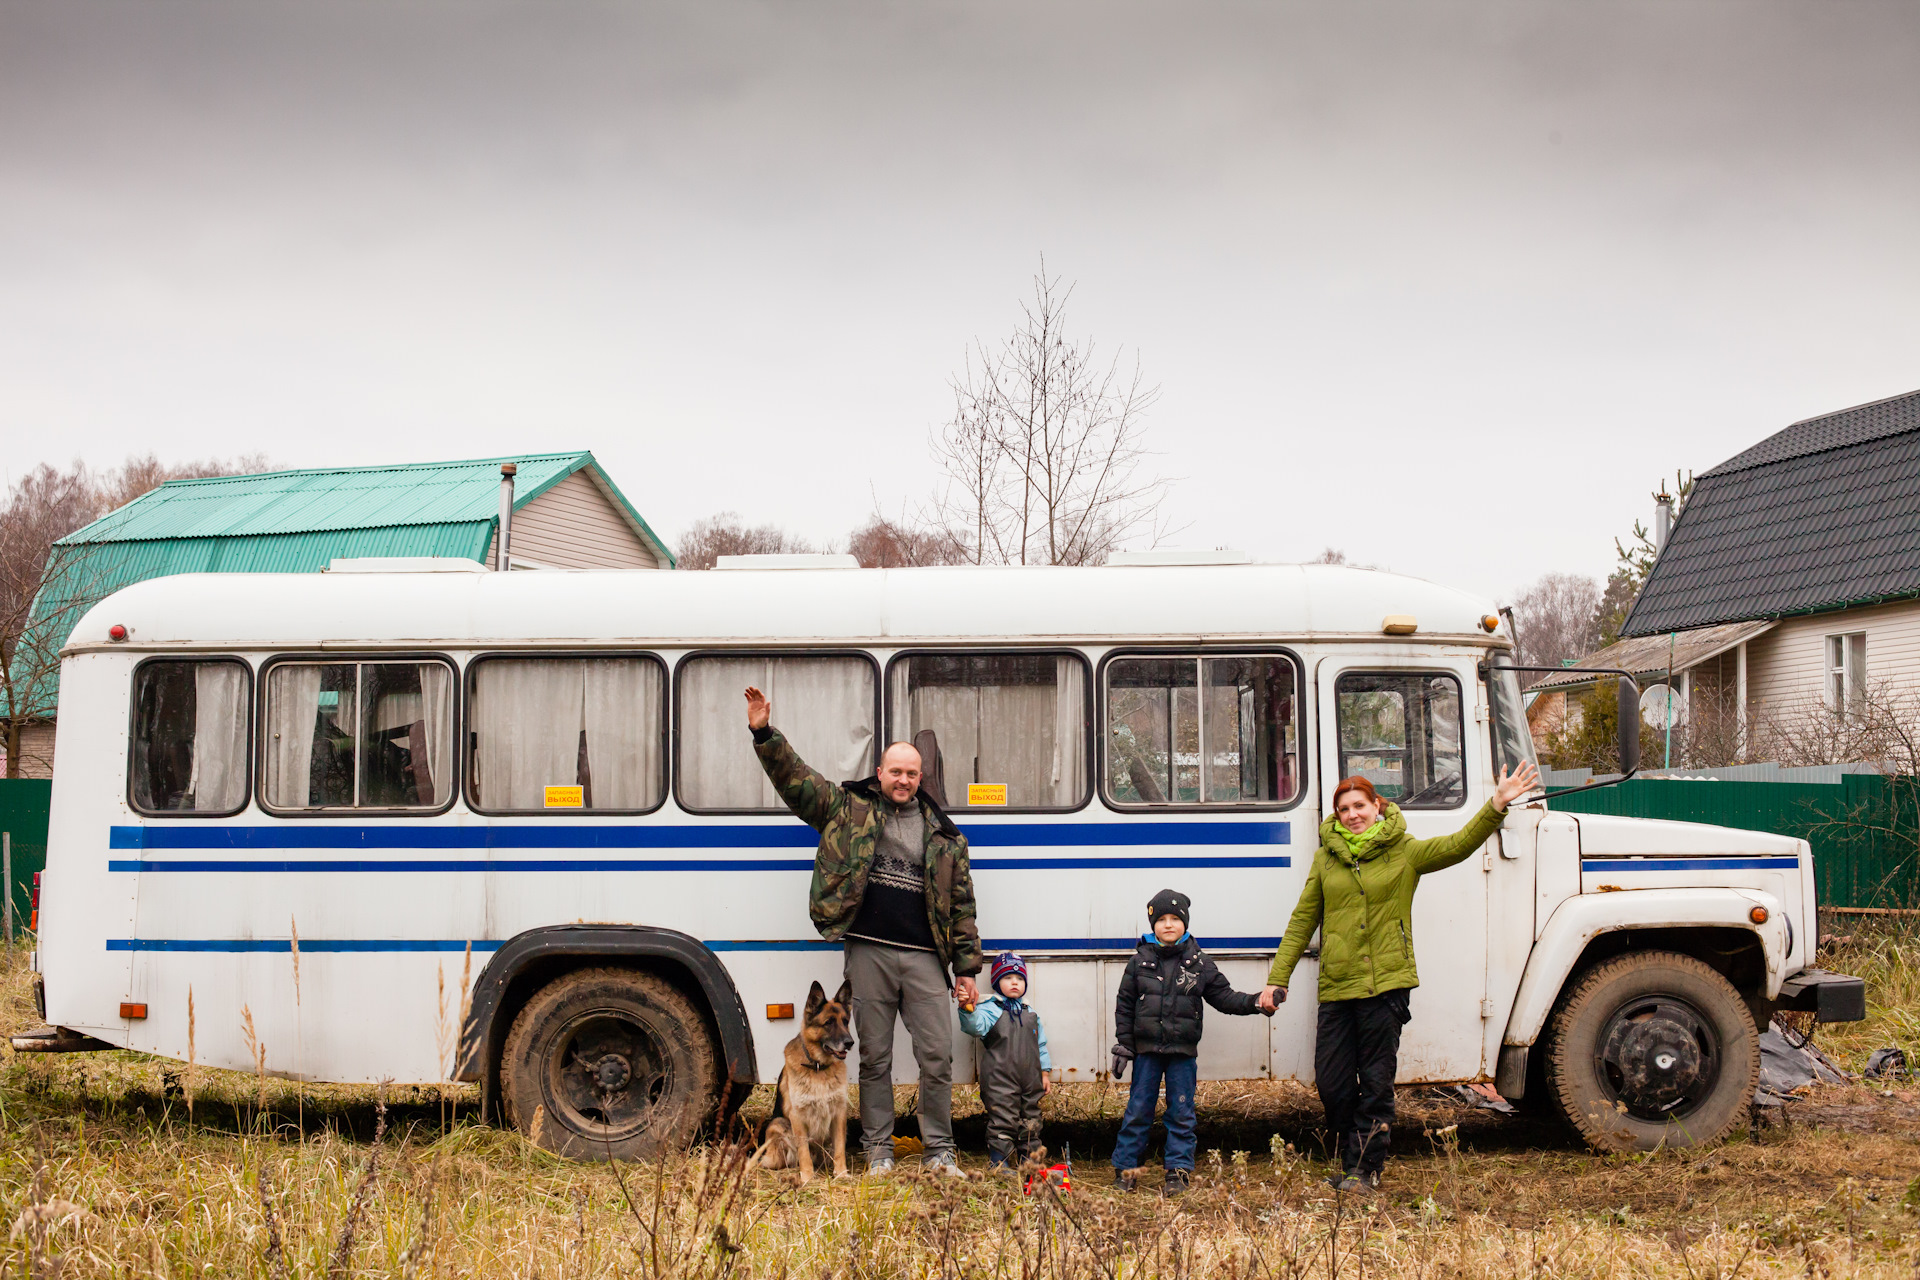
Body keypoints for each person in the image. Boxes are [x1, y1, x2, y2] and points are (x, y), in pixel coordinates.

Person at [1259, 761, 1542, 1193]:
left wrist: (1496, 805)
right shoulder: (1326, 858)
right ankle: (1354, 1152)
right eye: (1343, 809)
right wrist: (1278, 978)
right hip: (1338, 986)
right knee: (1332, 1082)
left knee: (1375, 1081)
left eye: (1359, 805)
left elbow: (1457, 846)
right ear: (1336, 816)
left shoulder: (1404, 851)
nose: (1352, 814)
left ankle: (1364, 1169)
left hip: (1386, 986)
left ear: (1377, 806)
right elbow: (1303, 920)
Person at [745, 685, 981, 1177]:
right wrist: (764, 733)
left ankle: (941, 1151)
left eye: (913, 773)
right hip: (869, 954)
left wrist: (967, 970)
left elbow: (961, 908)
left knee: (936, 1056)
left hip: (923, 959)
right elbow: (797, 781)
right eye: (896, 771)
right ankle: (878, 1152)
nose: (904, 780)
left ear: (922, 778)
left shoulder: (946, 835)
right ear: (880, 773)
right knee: (873, 1058)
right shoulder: (847, 808)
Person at [1109, 889, 1271, 1196]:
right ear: (1152, 924)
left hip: (1182, 1052)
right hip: (1147, 1052)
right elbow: (1124, 1006)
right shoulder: (1138, 963)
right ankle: (1126, 1170)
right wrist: (1124, 1045)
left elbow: (1225, 997)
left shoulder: (1199, 963)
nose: (1168, 925)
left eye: (1175, 919)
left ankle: (1178, 1171)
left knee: (1181, 1112)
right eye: (1161, 920)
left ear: (1185, 923)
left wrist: (1255, 1003)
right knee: (1138, 1109)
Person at [959, 952, 1052, 1171]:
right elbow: (975, 1027)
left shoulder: (1031, 1013)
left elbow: (1040, 1045)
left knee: (1031, 1118)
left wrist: (1044, 1073)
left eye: (1019, 979)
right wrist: (966, 1009)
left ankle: (1029, 1159)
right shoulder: (990, 1009)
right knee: (1003, 1118)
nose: (1014, 983)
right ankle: (999, 1161)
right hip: (1000, 1078)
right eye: (1008, 978)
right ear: (996, 982)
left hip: (1029, 1079)